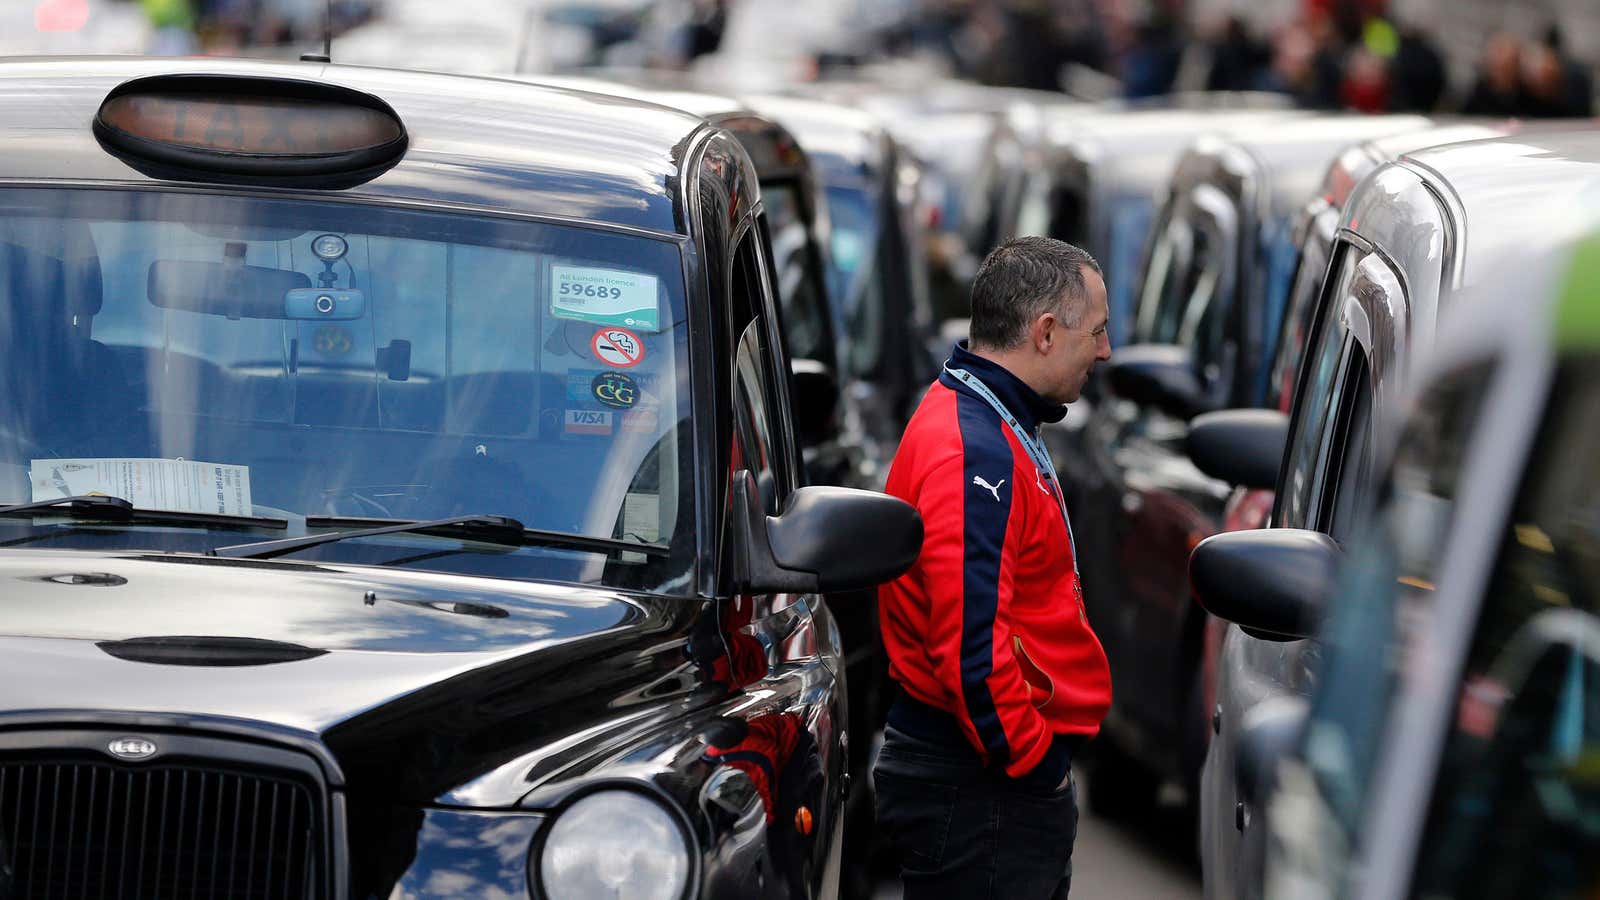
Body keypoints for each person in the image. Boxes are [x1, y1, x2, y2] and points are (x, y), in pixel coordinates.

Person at [872, 236, 1113, 899]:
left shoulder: (982, 415)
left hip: (973, 777)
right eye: (1095, 331)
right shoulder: (978, 452)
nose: (1104, 351)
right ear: (1043, 333)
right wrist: (1037, 768)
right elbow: (971, 654)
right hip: (981, 784)